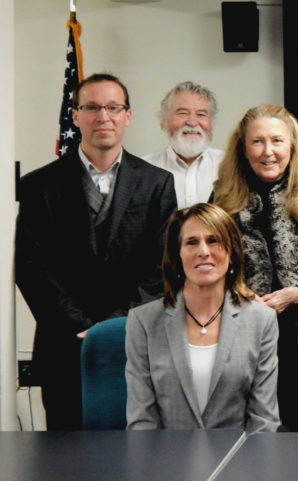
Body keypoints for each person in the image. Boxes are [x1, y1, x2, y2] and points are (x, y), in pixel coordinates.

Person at [15, 73, 177, 430]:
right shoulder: (39, 185)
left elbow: (162, 266)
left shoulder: (157, 183)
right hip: (62, 346)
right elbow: (31, 267)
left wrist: (114, 326)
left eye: (112, 107)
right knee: (63, 457)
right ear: (75, 116)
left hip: (134, 342)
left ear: (128, 115)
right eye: (91, 107)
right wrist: (79, 326)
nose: (103, 116)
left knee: (135, 455)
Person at [213, 104, 298, 431]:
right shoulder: (223, 195)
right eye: (257, 142)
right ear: (243, 148)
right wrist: (242, 295)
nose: (268, 151)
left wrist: (297, 294)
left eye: (277, 141)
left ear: (291, 145)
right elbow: (211, 262)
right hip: (244, 331)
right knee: (248, 433)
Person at [126, 203, 280, 433]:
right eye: (191, 242)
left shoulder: (261, 320)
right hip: (165, 462)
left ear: (232, 253)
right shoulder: (143, 321)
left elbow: (264, 421)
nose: (203, 251)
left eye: (213, 240)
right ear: (176, 255)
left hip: (238, 463)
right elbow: (141, 422)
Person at [143, 81, 224, 208]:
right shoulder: (145, 169)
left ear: (211, 123)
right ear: (164, 120)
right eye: (182, 113)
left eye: (201, 114)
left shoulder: (229, 167)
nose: (192, 122)